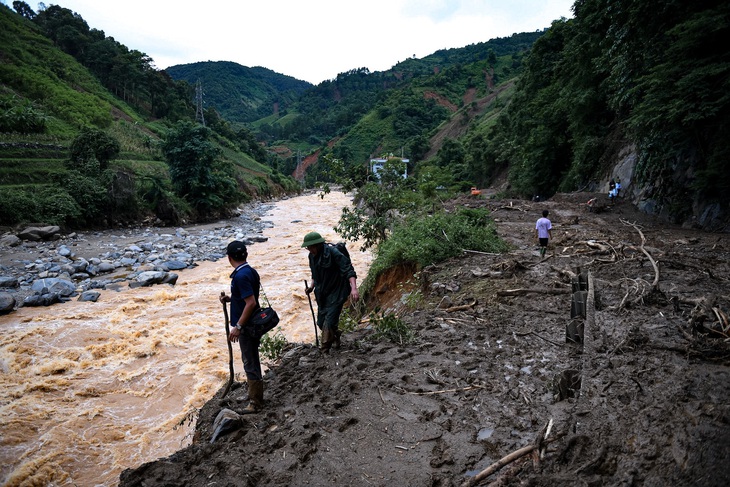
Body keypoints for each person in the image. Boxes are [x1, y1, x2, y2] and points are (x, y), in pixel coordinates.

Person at [219, 241, 264, 413]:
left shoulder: (240, 276)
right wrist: (232, 298)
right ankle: (254, 394)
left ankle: (256, 403)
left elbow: (250, 302)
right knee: (251, 358)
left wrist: (238, 326)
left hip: (247, 326)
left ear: (229, 258)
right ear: (246, 255)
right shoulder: (249, 271)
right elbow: (248, 297)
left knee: (249, 360)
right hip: (253, 323)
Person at [302, 232, 359, 352]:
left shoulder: (333, 253)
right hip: (322, 294)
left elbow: (349, 270)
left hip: (337, 291)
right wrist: (311, 287)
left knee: (329, 322)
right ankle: (336, 335)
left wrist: (354, 288)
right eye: (308, 248)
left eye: (311, 247)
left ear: (318, 245)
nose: (309, 250)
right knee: (321, 323)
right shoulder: (311, 256)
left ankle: (324, 350)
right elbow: (315, 274)